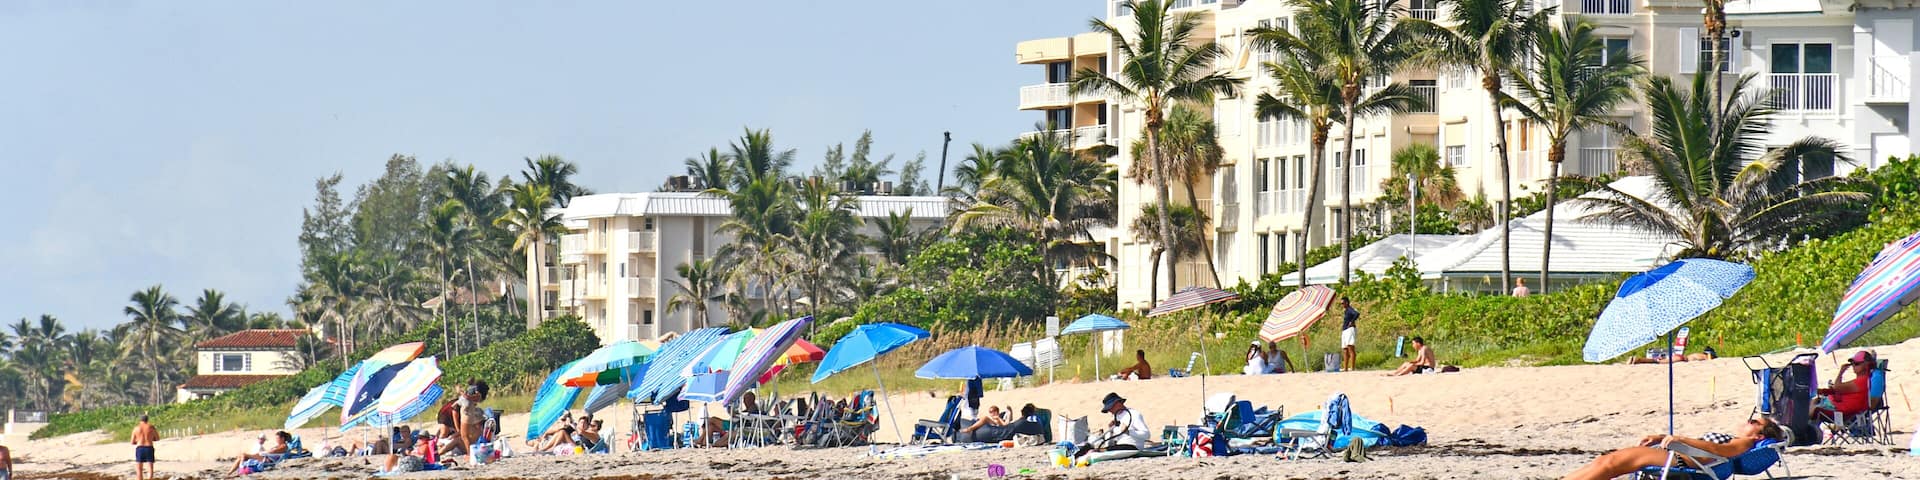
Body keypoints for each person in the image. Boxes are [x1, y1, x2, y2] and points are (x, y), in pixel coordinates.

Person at [1561, 417, 1785, 480]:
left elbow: (1716, 451)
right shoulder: (1738, 438)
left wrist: (1680, 439)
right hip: (1684, 456)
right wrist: (1662, 437)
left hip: (1688, 461)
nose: (1749, 421)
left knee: (1611, 463)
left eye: (1755, 422)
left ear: (1759, 435)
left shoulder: (1745, 443)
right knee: (1608, 461)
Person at [1075, 393, 1148, 459]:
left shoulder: (1134, 414)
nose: (1110, 411)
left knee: (1094, 451)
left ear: (1118, 403)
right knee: (1090, 448)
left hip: (1133, 447)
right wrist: (1110, 430)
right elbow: (1112, 441)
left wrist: (1128, 432)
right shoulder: (1116, 416)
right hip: (1120, 446)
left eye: (1111, 408)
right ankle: (1074, 457)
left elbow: (1147, 435)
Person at [1815, 351, 1877, 423]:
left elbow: (1837, 387)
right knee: (1814, 402)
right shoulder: (1864, 380)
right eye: (1852, 364)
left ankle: (1804, 431)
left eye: (1856, 364)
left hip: (1842, 413)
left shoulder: (1862, 381)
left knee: (1811, 407)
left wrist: (1841, 372)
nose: (1853, 366)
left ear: (1866, 365)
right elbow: (1839, 390)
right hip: (1842, 408)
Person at [131, 413, 158, 480]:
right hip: (149, 447)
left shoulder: (136, 428)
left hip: (140, 448)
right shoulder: (151, 427)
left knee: (139, 468)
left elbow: (132, 442)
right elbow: (157, 438)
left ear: (140, 420)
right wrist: (151, 438)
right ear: (147, 420)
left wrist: (138, 440)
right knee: (150, 467)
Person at [1628, 346, 1718, 364]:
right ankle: (1638, 360)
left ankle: (1638, 360)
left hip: (1681, 357)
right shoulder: (1705, 356)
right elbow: (1710, 360)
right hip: (1682, 359)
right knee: (1658, 362)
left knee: (1659, 361)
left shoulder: (1697, 354)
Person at [1341, 297, 1359, 371]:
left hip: (1349, 330)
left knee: (1350, 348)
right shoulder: (1346, 311)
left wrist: (1352, 321)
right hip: (1345, 330)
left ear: (1347, 302)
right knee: (1345, 349)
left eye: (1343, 303)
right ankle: (1345, 368)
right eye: (1341, 303)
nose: (1342, 305)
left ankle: (1353, 367)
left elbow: (1356, 314)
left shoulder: (1350, 309)